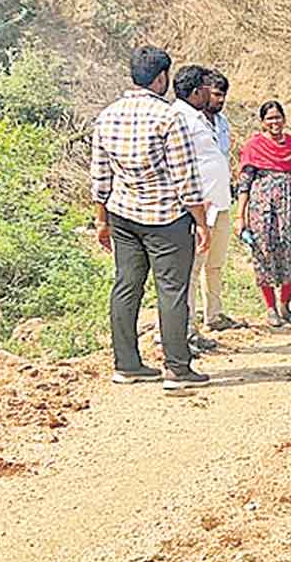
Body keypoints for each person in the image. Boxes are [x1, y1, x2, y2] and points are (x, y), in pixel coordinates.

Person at [91, 45, 211, 390]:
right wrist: (201, 222)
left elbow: (100, 175)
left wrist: (101, 220)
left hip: (123, 215)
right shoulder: (169, 117)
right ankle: (177, 368)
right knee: (171, 289)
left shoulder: (108, 115)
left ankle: (126, 364)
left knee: (126, 286)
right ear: (161, 78)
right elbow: (185, 178)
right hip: (166, 218)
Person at [236, 101, 291, 328]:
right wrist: (241, 216)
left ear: (284, 119)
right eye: (269, 118)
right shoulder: (254, 147)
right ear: (263, 122)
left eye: (278, 117)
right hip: (263, 210)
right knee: (265, 255)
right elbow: (244, 184)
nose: (275, 122)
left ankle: (285, 305)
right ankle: (270, 308)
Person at [170, 65, 230, 355]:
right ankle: (185, 333)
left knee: (209, 267)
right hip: (197, 208)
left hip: (217, 204)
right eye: (208, 87)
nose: (213, 92)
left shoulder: (201, 119)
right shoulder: (181, 119)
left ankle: (200, 323)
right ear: (197, 91)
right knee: (190, 273)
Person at [198, 70, 241, 332]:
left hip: (222, 200)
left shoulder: (222, 122)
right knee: (194, 265)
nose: (219, 99)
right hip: (200, 203)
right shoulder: (190, 121)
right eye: (215, 93)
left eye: (223, 94)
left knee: (215, 264)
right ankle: (185, 323)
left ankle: (213, 315)